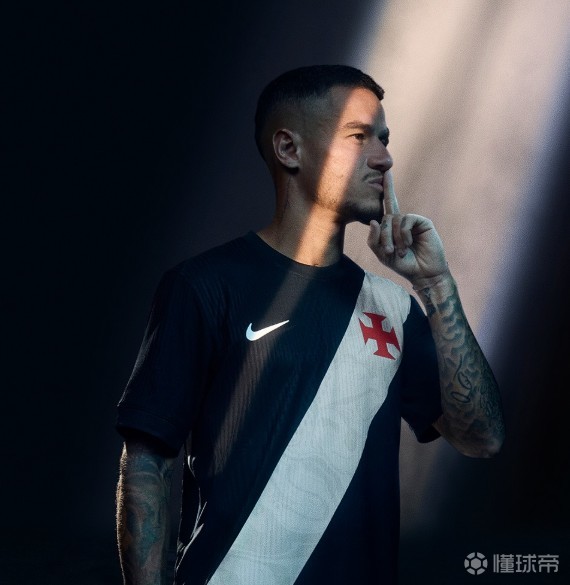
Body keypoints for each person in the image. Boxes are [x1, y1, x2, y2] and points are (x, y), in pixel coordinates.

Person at [115, 64, 505, 584]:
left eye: (385, 140)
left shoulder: (392, 308)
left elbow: (482, 438)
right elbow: (148, 464)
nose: (384, 158)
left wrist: (436, 284)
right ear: (288, 149)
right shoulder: (204, 286)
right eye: (359, 137)